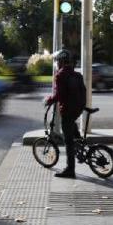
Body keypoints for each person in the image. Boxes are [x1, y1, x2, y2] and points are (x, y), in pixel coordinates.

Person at [45, 49, 86, 178]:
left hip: (67, 110)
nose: (57, 64)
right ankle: (80, 146)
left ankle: (70, 169)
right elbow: (83, 92)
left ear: (61, 62)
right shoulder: (77, 75)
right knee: (72, 126)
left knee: (68, 141)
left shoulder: (60, 75)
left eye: (57, 61)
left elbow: (58, 95)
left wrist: (49, 100)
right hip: (78, 109)